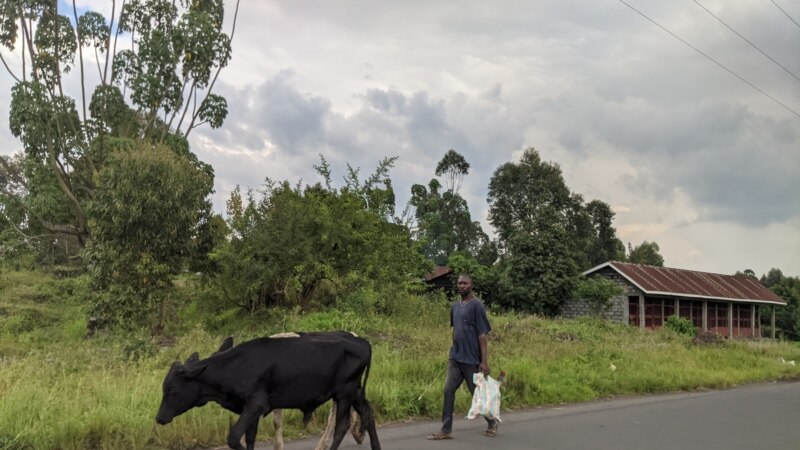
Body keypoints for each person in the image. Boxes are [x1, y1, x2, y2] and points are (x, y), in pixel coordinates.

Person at [427, 274, 498, 440]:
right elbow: (456, 331)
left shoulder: (477, 306)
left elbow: (482, 335)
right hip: (456, 358)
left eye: (465, 283)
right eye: (459, 283)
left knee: (477, 394)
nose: (462, 286)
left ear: (471, 285)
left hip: (472, 360)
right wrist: (453, 349)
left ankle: (492, 421)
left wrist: (484, 361)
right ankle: (446, 429)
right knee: (448, 390)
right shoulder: (455, 307)